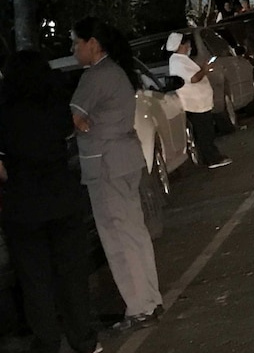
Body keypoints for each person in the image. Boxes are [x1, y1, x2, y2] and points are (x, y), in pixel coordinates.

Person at [0, 51, 101, 353]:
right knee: (72, 274)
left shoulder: (4, 112)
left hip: (23, 205)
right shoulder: (55, 105)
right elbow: (69, 135)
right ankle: (84, 339)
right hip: (62, 198)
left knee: (35, 280)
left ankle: (47, 341)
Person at [69, 17, 163, 332]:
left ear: (92, 44)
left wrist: (82, 125)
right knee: (134, 233)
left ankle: (139, 308)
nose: (73, 49)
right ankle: (150, 300)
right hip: (125, 159)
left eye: (75, 42)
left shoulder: (95, 76)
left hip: (105, 164)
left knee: (118, 238)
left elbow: (73, 117)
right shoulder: (118, 72)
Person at [166, 32, 233, 169]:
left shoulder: (182, 60)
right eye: (188, 44)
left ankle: (213, 156)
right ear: (181, 45)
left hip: (199, 103)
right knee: (204, 133)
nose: (189, 47)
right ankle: (212, 159)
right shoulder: (177, 61)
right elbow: (193, 79)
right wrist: (204, 70)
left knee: (207, 131)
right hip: (194, 104)